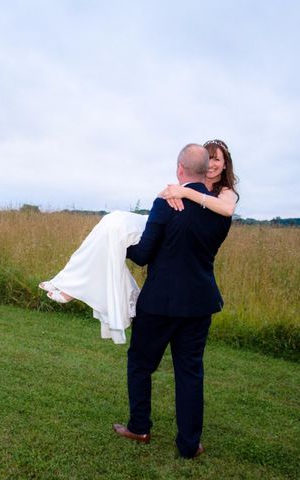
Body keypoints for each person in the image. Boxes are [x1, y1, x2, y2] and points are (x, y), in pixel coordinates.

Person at [38, 139, 238, 344]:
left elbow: (227, 209)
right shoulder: (192, 183)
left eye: (217, 159)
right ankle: (70, 284)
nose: (212, 164)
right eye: (209, 158)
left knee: (114, 230)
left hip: (176, 234)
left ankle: (78, 288)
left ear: (225, 164)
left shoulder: (225, 192)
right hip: (158, 223)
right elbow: (167, 200)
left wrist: (184, 192)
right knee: (110, 224)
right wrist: (170, 195)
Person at [112, 143, 232, 459]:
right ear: (205, 169)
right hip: (199, 303)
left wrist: (119, 244)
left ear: (180, 169)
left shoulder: (166, 203)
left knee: (140, 363)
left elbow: (142, 255)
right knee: (190, 371)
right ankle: (189, 445)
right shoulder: (221, 214)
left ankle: (139, 427)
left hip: (159, 303)